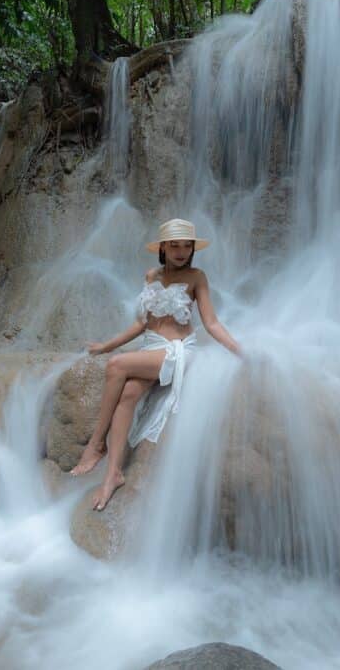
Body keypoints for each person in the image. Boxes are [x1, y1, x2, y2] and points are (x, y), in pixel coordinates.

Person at [69, 218, 242, 511]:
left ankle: (96, 443)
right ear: (162, 248)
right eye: (174, 245)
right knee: (127, 394)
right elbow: (141, 324)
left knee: (116, 365)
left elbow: (211, 323)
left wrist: (239, 351)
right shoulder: (151, 276)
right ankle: (113, 475)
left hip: (177, 352)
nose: (181, 252)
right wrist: (105, 345)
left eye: (186, 246)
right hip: (151, 349)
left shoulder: (197, 277)